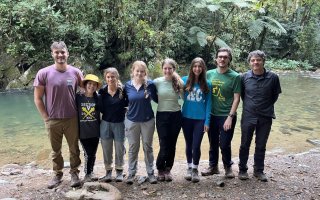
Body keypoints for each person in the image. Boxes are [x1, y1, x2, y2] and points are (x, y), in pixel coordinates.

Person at [33, 41, 83, 188]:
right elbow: (37, 98)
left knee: (74, 148)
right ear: (52, 54)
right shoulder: (44, 73)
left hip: (72, 118)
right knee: (56, 150)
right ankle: (57, 174)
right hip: (53, 119)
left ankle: (74, 173)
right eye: (57, 52)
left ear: (67, 53)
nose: (60, 55)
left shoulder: (76, 72)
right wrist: (45, 117)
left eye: (63, 52)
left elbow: (86, 91)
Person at [238, 50, 281, 182]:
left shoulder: (273, 77)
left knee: (261, 144)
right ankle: (242, 170)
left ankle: (258, 171)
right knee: (245, 144)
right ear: (250, 62)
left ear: (263, 61)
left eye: (258, 60)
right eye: (253, 60)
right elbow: (242, 96)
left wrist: (264, 106)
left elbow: (275, 96)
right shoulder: (244, 77)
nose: (256, 62)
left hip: (265, 116)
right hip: (248, 116)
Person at [202, 48, 241, 178]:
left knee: (224, 143)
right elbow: (203, 92)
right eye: (220, 57)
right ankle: (213, 167)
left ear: (229, 59)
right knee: (212, 142)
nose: (222, 59)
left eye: (225, 57)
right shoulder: (209, 74)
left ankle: (228, 167)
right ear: (216, 59)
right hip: (211, 114)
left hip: (226, 115)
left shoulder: (235, 76)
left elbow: (237, 98)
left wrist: (230, 117)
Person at [124, 60, 158, 184]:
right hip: (131, 121)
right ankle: (131, 173)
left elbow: (157, 99)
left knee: (147, 147)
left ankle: (150, 173)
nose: (139, 73)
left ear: (145, 73)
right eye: (137, 71)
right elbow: (123, 102)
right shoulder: (127, 86)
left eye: (142, 71)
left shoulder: (150, 85)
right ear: (132, 72)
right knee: (133, 147)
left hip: (147, 121)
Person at [182, 57, 212, 183]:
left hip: (200, 119)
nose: (197, 69)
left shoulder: (207, 84)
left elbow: (209, 104)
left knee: (196, 145)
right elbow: (170, 84)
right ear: (191, 68)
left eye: (200, 66)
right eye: (195, 66)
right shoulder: (184, 81)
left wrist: (207, 122)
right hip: (186, 118)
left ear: (203, 68)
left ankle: (195, 169)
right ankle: (189, 167)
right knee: (188, 144)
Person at [153, 58, 183, 182]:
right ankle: (160, 168)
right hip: (162, 115)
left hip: (176, 116)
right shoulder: (156, 82)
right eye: (165, 68)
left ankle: (168, 169)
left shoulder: (179, 82)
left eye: (169, 68)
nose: (167, 70)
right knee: (164, 143)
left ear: (173, 69)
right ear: (162, 69)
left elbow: (183, 99)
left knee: (172, 144)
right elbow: (147, 91)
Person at [99, 68, 128, 182]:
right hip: (105, 123)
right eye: (108, 77)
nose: (110, 79)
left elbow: (129, 104)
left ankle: (119, 171)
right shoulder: (102, 91)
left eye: (113, 77)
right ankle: (108, 171)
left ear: (117, 77)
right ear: (105, 78)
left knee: (120, 148)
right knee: (106, 148)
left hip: (120, 123)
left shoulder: (123, 90)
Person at [76, 74, 101, 182]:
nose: (91, 86)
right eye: (89, 84)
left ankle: (90, 171)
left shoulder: (98, 98)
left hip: (95, 131)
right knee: (88, 153)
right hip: (83, 132)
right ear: (85, 85)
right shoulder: (78, 97)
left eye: (94, 84)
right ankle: (87, 173)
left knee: (93, 153)